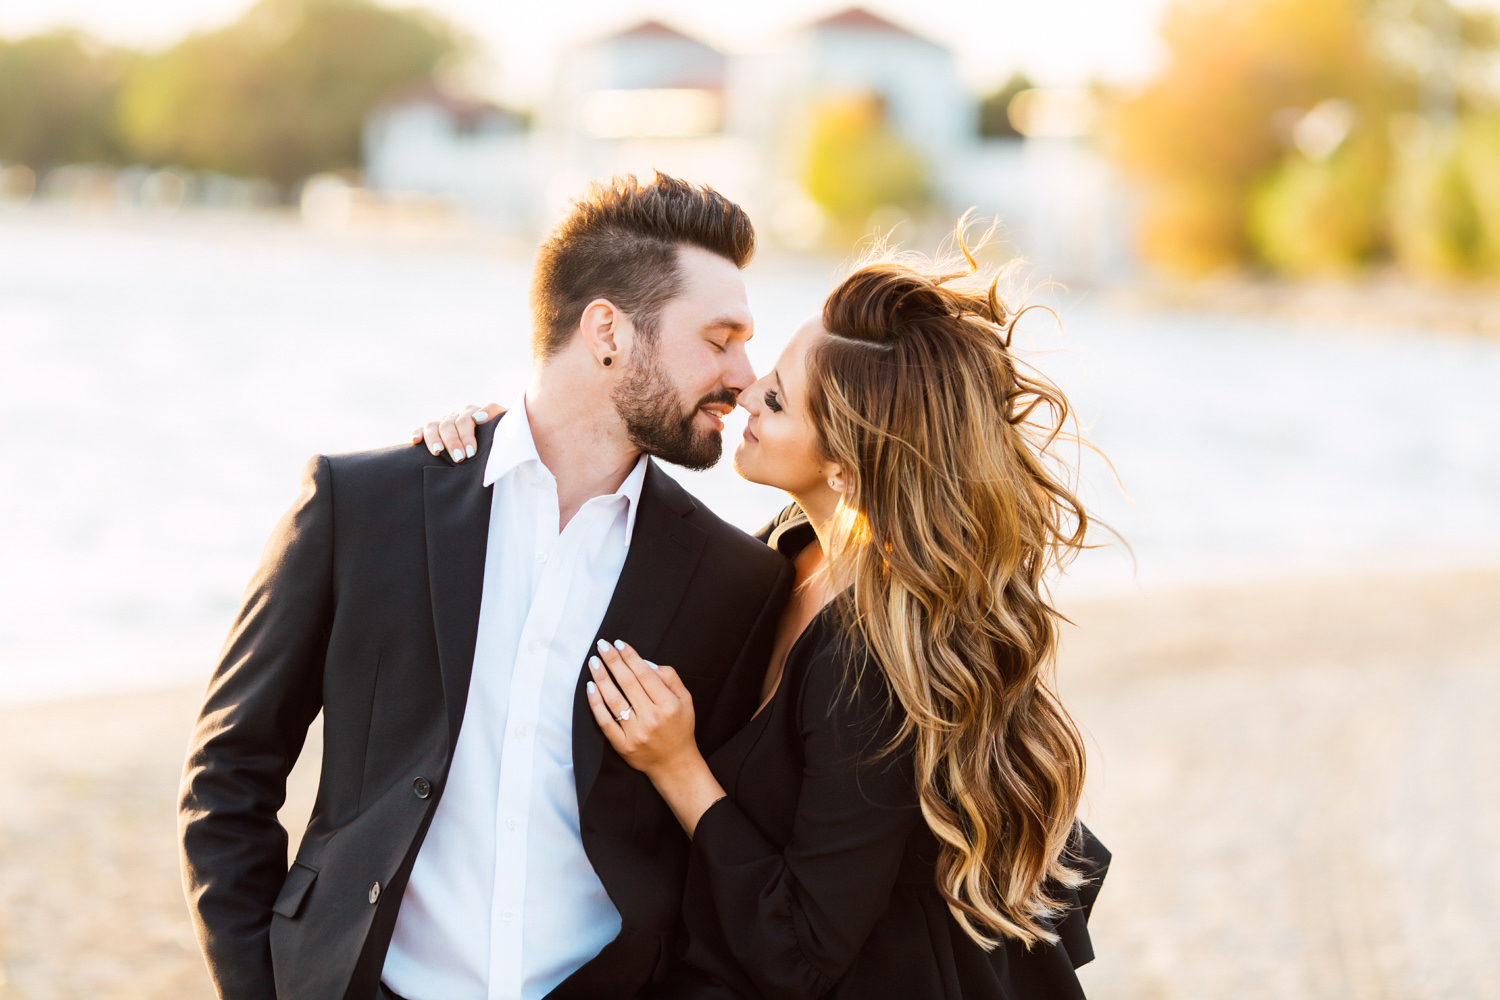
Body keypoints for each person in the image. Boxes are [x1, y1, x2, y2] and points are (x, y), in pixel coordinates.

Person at [424, 238, 1110, 998]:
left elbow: (802, 953)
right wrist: (508, 444)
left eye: (777, 400)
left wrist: (680, 769)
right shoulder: (788, 553)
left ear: (844, 465)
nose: (745, 395)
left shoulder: (872, 659)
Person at [178, 173, 795, 1000]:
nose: (744, 375)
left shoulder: (738, 579)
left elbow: (712, 850)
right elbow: (230, 771)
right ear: (607, 330)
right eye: (719, 339)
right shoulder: (364, 506)